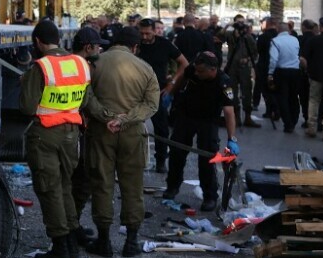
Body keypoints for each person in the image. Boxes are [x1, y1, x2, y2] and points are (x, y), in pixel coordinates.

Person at [84, 27, 159, 258]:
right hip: (132, 133)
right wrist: (125, 120)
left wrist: (107, 117)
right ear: (135, 47)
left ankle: (104, 242)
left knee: (102, 183)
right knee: (132, 186)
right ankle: (132, 243)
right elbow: (151, 105)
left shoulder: (95, 63)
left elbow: (86, 96)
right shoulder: (145, 68)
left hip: (100, 132)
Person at [20, 20, 92, 258]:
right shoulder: (80, 63)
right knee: (65, 186)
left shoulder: (41, 67)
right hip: (71, 135)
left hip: (45, 135)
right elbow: (83, 100)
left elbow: (28, 108)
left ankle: (61, 248)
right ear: (59, 40)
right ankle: (71, 243)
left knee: (50, 189)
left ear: (38, 42)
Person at [162, 52, 238, 211]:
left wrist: (232, 139)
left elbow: (229, 112)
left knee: (208, 158)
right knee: (177, 152)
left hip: (208, 120)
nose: (196, 73)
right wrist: (171, 93)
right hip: (186, 116)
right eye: (196, 70)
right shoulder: (193, 69)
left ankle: (209, 196)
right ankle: (172, 187)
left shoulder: (223, 82)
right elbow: (183, 77)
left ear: (213, 69)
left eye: (201, 71)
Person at [69, 27, 108, 246]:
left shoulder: (66, 63)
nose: (99, 49)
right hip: (76, 132)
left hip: (66, 131)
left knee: (76, 183)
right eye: (97, 46)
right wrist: (112, 118)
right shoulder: (82, 67)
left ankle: (71, 228)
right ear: (88, 47)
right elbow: (88, 101)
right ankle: (70, 231)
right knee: (81, 182)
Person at [136, 18, 189, 173]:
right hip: (136, 92)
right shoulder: (135, 45)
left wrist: (172, 82)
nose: (144, 36)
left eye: (147, 33)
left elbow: (184, 63)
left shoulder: (164, 44)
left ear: (154, 30)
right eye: (142, 33)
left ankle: (160, 161)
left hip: (157, 92)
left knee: (162, 129)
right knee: (132, 126)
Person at [269, 21, 305, 133]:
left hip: (281, 71)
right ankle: (294, 120)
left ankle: (288, 123)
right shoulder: (295, 39)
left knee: (283, 97)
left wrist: (270, 73)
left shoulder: (275, 41)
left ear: (278, 30)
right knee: (294, 97)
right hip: (295, 71)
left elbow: (273, 59)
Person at [224, 22, 260, 127]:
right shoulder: (230, 37)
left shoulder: (248, 38)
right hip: (232, 68)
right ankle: (236, 117)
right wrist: (229, 25)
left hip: (244, 69)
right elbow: (220, 34)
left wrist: (247, 59)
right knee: (231, 92)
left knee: (247, 91)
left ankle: (247, 117)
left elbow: (255, 53)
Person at [302, 18, 323, 140]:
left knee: (314, 101)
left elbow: (303, 59)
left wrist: (308, 70)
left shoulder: (313, 40)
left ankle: (312, 128)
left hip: (315, 77)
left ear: (320, 27)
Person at [254, 17, 279, 119]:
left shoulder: (263, 37)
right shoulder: (278, 36)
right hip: (277, 66)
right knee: (275, 89)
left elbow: (258, 51)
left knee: (266, 90)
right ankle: (276, 110)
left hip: (264, 66)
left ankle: (269, 110)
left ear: (267, 24)